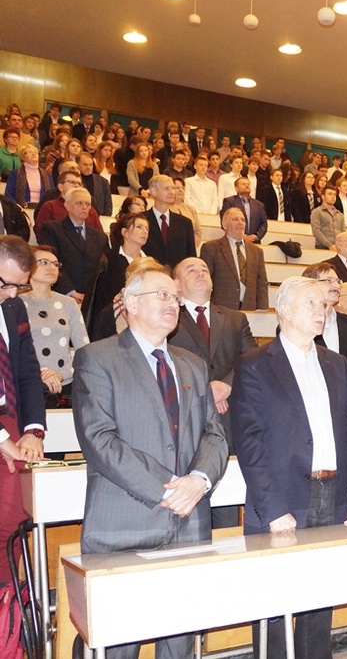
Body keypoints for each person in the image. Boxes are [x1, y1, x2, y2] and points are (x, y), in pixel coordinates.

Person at [74, 265, 228, 659]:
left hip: (189, 522)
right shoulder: (97, 357)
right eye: (161, 295)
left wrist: (197, 480)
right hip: (125, 526)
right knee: (120, 644)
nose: (172, 304)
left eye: (175, 298)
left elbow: (214, 434)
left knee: (179, 642)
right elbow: (99, 439)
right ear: (129, 304)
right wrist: (168, 489)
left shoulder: (192, 363)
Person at [232, 276, 347, 659]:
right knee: (275, 604)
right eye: (310, 303)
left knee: (319, 596)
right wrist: (271, 507)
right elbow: (249, 444)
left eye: (323, 304)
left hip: (333, 494)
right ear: (283, 311)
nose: (321, 310)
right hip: (282, 498)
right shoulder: (254, 365)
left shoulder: (337, 362)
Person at [168, 257, 256, 527]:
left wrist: (228, 384)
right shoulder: (168, 316)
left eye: (204, 269)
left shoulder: (234, 318)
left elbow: (252, 359)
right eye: (191, 270)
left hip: (228, 423)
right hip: (183, 423)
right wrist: (205, 390)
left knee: (226, 511)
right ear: (177, 284)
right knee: (184, 513)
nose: (200, 273)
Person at [0, 236, 49, 584]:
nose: (14, 294)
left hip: (13, 418)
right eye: (6, 284)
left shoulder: (13, 307)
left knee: (18, 519)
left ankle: (9, 612)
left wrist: (32, 430)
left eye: (21, 285)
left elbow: (29, 372)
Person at [22, 245, 89, 406]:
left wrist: (60, 375)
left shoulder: (68, 303)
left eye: (55, 264)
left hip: (66, 384)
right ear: (28, 266)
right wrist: (42, 373)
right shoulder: (16, 303)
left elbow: (84, 350)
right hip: (28, 384)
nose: (52, 267)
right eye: (44, 262)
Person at [301, 263, 347, 372]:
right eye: (329, 281)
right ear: (310, 285)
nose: (336, 286)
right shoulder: (298, 325)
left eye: (338, 281)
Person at [200, 208, 269, 311]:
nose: (240, 223)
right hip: (220, 310)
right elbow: (205, 281)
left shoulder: (257, 251)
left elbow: (261, 282)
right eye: (235, 219)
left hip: (249, 310)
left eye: (243, 220)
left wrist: (263, 309)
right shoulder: (211, 248)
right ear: (224, 224)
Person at [142, 175, 197, 267]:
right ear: (153, 191)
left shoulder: (184, 223)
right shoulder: (141, 220)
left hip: (176, 276)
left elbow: (190, 256)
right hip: (148, 273)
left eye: (173, 188)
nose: (172, 192)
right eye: (166, 188)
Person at [221, 176, 268, 243]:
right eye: (243, 184)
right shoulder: (229, 201)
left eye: (248, 184)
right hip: (234, 240)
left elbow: (264, 224)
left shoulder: (259, 205)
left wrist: (257, 236)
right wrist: (240, 234)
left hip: (254, 242)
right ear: (236, 188)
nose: (246, 186)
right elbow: (224, 221)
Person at [309, 183, 345, 250]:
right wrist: (329, 245)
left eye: (334, 195)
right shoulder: (317, 212)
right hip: (322, 247)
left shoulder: (340, 215)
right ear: (323, 196)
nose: (333, 196)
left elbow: (343, 233)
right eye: (330, 194)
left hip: (338, 248)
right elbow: (316, 231)